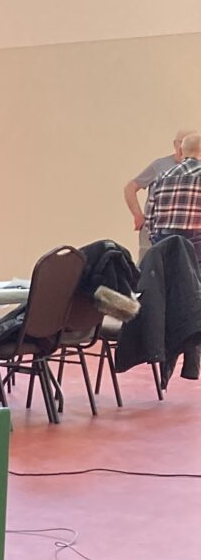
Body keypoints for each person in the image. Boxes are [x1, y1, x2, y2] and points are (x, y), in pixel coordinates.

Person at [144, 132, 201, 379]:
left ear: (181, 152)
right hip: (196, 249)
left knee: (174, 299)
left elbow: (150, 221)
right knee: (193, 295)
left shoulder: (162, 178)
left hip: (164, 251)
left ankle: (170, 359)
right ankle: (192, 356)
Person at [125, 129, 192, 249]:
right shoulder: (160, 165)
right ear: (175, 144)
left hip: (186, 233)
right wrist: (138, 215)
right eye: (182, 143)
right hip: (154, 231)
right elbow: (130, 187)